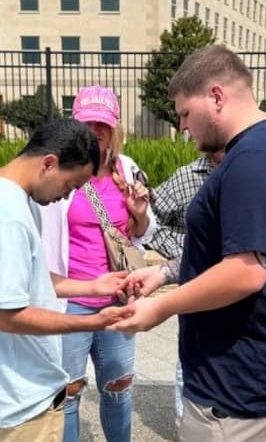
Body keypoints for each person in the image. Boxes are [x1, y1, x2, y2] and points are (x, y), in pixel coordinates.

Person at [112, 45, 266, 441]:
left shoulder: (254, 160)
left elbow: (245, 273)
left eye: (184, 114)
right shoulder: (265, 145)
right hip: (252, 371)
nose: (182, 127)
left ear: (215, 97)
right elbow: (230, 251)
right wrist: (164, 272)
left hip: (239, 386)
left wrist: (160, 309)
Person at [0, 119, 134, 441]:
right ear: (49, 163)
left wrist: (92, 286)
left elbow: (23, 280)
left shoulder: (19, 200)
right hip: (20, 407)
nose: (65, 198)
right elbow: (8, 315)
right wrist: (93, 323)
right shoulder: (11, 217)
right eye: (70, 186)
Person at [37, 86, 156, 442]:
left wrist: (139, 216)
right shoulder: (59, 170)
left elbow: (141, 236)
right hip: (71, 298)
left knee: (118, 387)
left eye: (102, 124)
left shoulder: (128, 169)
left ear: (115, 128)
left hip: (118, 297)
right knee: (69, 391)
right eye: (88, 123)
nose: (95, 131)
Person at [143, 149, 224, 422]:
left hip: (239, 288)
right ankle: (185, 425)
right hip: (197, 289)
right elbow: (149, 221)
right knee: (189, 357)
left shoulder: (253, 170)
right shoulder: (188, 176)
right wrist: (187, 254)